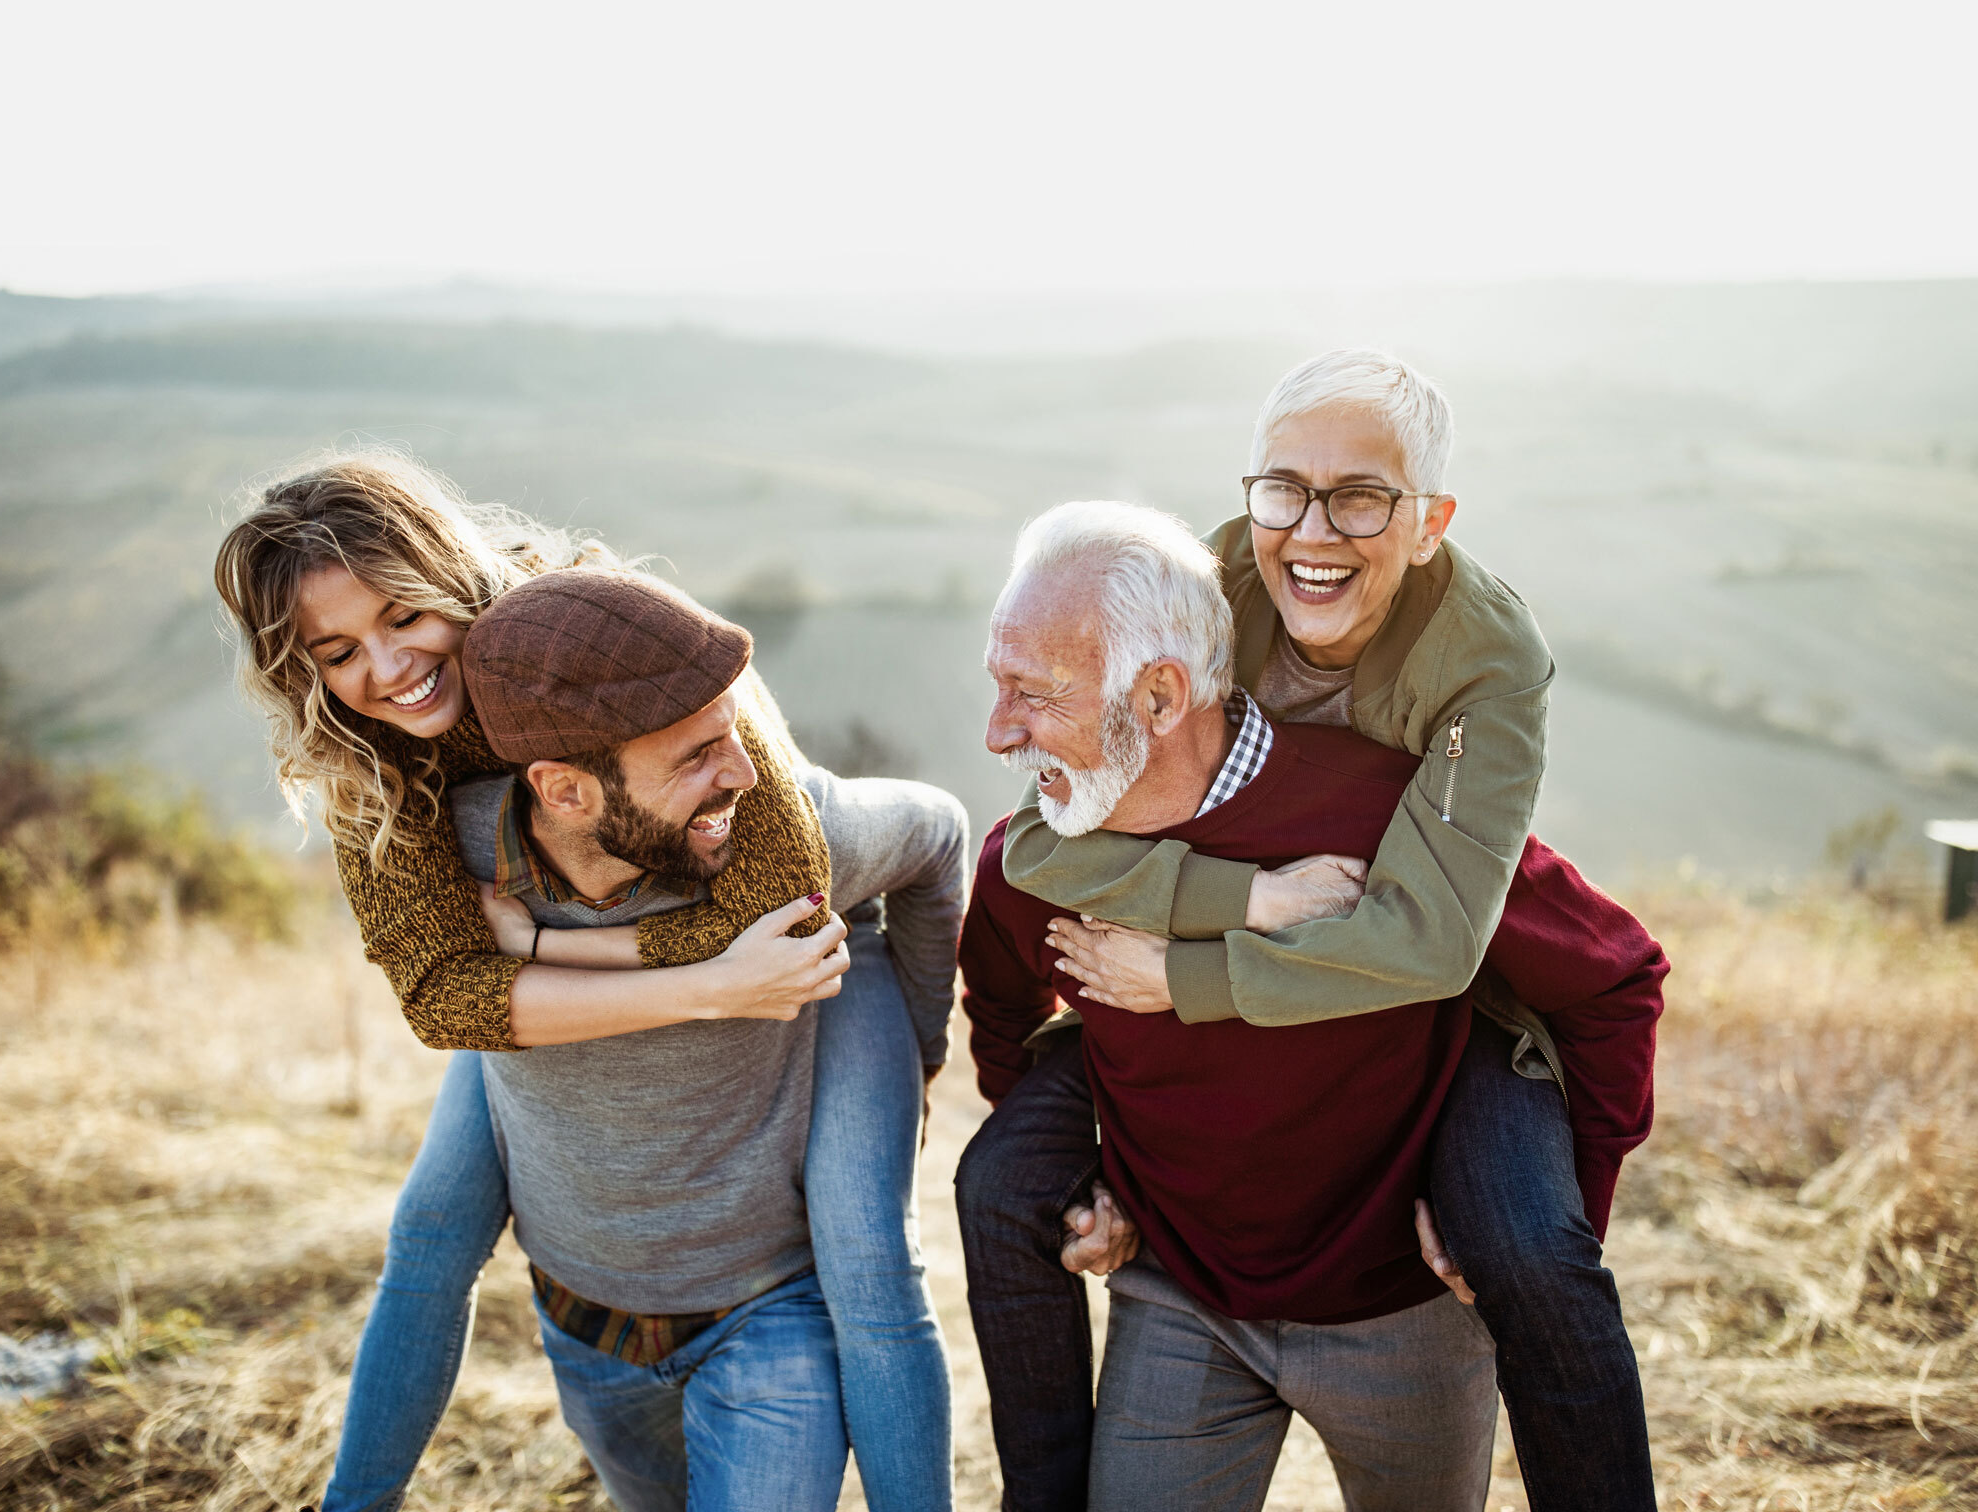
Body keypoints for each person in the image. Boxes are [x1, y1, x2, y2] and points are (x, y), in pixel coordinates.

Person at [957, 380, 1666, 1508]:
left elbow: (1567, 967)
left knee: (1531, 1253)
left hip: (1394, 1273)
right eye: (1285, 493)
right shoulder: (1199, 595)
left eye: (1361, 501)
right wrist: (1092, 1155)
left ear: (1429, 521)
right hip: (1185, 1289)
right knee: (997, 1185)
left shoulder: (1423, 766)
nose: (1312, 532)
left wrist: (1552, 1216)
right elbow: (1020, 899)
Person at [214, 454, 960, 1512]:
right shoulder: (369, 761)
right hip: (629, 967)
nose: (385, 668)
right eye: (338, 653)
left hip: (796, 942)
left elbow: (773, 901)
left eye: (403, 617)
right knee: (430, 1225)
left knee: (867, 1255)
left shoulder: (606, 645)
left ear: (447, 574)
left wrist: (542, 950)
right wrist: (618, 966)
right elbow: (441, 998)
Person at [442, 567, 966, 1511]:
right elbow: (434, 989)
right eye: (696, 756)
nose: (746, 774)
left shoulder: (796, 844)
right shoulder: (456, 862)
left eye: (737, 731)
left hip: (772, 1311)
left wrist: (920, 1049)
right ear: (562, 790)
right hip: (580, 1316)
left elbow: (940, 831)